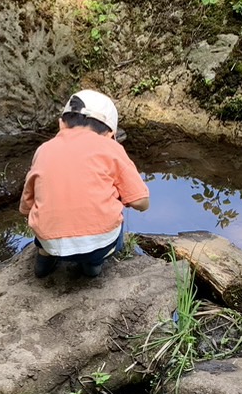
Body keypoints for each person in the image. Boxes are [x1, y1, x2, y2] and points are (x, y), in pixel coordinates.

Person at [19, 89, 150, 279]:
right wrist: (122, 198)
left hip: (50, 240)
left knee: (46, 214)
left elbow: (27, 205)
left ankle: (44, 256)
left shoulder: (43, 150)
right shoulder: (112, 148)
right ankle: (92, 266)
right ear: (110, 133)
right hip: (98, 242)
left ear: (61, 123)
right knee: (114, 220)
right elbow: (141, 203)